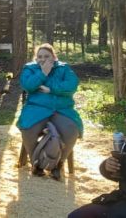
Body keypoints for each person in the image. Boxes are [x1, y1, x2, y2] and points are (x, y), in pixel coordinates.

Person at [18, 43, 82, 181]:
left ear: (54, 57)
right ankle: (37, 164)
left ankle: (58, 164)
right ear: (36, 58)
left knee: (72, 131)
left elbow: (71, 85)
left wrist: (50, 88)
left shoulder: (64, 68)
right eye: (40, 56)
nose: (43, 59)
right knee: (28, 130)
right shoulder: (30, 68)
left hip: (62, 109)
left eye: (46, 56)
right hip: (36, 108)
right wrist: (43, 73)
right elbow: (28, 85)